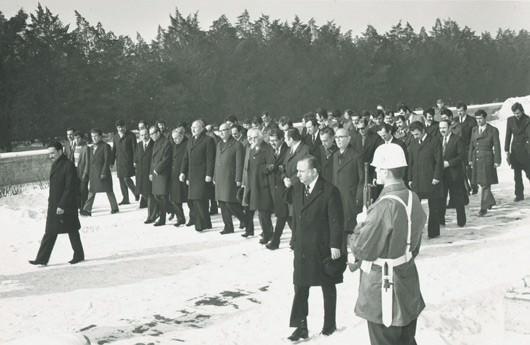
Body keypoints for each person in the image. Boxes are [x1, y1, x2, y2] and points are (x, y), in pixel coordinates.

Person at [350, 143, 427, 345]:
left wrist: (361, 225)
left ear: (385, 170)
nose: (376, 171)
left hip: (384, 289)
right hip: (407, 281)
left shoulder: (385, 206)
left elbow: (362, 248)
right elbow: (415, 244)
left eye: (377, 168)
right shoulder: (413, 197)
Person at [284, 156, 345, 340]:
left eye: (301, 171)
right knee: (300, 286)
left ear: (314, 171)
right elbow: (293, 212)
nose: (298, 175)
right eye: (297, 171)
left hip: (322, 246)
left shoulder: (329, 190)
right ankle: (301, 326)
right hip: (302, 246)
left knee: (328, 285)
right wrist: (294, 239)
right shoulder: (297, 188)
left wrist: (336, 244)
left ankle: (329, 324)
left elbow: (336, 220)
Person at [29, 141, 84, 266]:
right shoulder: (56, 164)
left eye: (53, 153)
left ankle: (79, 255)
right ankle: (42, 259)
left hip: (66, 204)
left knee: (72, 230)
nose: (51, 156)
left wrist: (62, 205)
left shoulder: (68, 165)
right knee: (50, 231)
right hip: (55, 204)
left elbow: (70, 188)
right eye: (49, 154)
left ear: (60, 151)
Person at [408, 121, 443, 238]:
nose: (415, 136)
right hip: (417, 180)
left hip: (431, 180)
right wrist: (410, 179)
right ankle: (416, 232)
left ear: (423, 130)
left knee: (434, 207)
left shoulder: (434, 141)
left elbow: (439, 161)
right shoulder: (413, 143)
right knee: (416, 208)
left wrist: (436, 177)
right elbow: (410, 163)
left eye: (417, 134)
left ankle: (434, 232)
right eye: (413, 134)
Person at [180, 120, 216, 232]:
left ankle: (201, 225)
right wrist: (182, 172)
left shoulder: (208, 140)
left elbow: (210, 159)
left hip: (202, 175)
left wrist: (209, 174)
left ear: (202, 128)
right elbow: (186, 158)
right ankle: (206, 223)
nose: (193, 129)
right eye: (192, 127)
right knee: (196, 200)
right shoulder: (190, 140)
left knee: (200, 199)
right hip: (192, 175)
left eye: (196, 127)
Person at [242, 128, 275, 242]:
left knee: (264, 212)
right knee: (260, 212)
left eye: (255, 138)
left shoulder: (267, 148)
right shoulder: (251, 148)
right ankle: (267, 232)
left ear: (260, 137)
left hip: (263, 185)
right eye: (250, 138)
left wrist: (260, 170)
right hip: (253, 185)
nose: (252, 140)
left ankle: (268, 234)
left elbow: (271, 165)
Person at [214, 122, 246, 234]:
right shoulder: (218, 145)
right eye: (220, 130)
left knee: (230, 203)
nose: (221, 133)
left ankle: (244, 219)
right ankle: (228, 226)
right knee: (222, 203)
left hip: (230, 178)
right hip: (220, 178)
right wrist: (214, 176)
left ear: (229, 131)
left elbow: (239, 163)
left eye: (224, 130)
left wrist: (238, 178)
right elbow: (216, 161)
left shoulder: (237, 145)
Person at [469, 110, 501, 216]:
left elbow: (497, 146)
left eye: (480, 118)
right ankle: (490, 201)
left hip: (487, 159)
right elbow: (471, 146)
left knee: (486, 184)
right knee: (482, 183)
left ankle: (483, 208)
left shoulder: (492, 130)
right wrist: (470, 159)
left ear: (485, 118)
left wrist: (497, 160)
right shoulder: (474, 130)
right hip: (476, 159)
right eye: (477, 119)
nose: (478, 121)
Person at [332, 128, 364, 235]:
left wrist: (358, 198)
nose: (338, 140)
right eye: (336, 137)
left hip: (351, 197)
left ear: (349, 138)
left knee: (352, 229)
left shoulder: (356, 156)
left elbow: (362, 179)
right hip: (337, 196)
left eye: (341, 137)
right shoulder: (335, 155)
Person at [81, 129, 119, 216]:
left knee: (108, 190)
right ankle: (87, 210)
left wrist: (104, 172)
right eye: (92, 136)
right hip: (93, 174)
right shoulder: (90, 148)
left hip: (103, 172)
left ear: (100, 136)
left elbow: (107, 161)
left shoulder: (106, 146)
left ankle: (114, 207)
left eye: (96, 136)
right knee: (92, 191)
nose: (94, 138)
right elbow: (90, 161)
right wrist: (88, 173)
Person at [439, 120, 467, 227]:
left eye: (444, 128)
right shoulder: (438, 139)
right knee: (441, 198)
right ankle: (441, 221)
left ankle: (461, 221)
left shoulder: (457, 139)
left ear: (450, 128)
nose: (442, 130)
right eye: (440, 128)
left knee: (458, 198)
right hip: (442, 175)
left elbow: (462, 156)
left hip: (455, 174)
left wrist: (449, 163)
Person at [265, 128, 290, 250]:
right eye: (270, 141)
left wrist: (279, 168)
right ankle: (296, 239)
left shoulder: (287, 150)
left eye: (275, 140)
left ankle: (275, 241)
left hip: (284, 186)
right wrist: (268, 168)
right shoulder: (269, 150)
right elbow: (264, 165)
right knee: (287, 216)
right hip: (273, 187)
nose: (272, 143)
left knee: (282, 215)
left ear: (282, 139)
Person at [504, 102, 530, 202]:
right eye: (515, 113)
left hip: (526, 151)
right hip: (514, 151)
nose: (517, 115)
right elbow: (508, 135)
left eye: (518, 113)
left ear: (522, 111)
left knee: (529, 173)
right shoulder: (510, 120)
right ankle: (519, 195)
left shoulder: (528, 120)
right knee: (517, 175)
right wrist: (506, 150)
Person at [112, 120, 139, 205]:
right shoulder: (115, 137)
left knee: (126, 179)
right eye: (119, 127)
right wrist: (111, 162)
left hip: (128, 161)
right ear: (117, 128)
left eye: (122, 127)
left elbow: (135, 149)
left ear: (125, 126)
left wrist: (135, 160)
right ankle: (125, 199)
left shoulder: (131, 135)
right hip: (119, 162)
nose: (121, 129)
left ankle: (136, 192)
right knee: (121, 180)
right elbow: (114, 150)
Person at [149, 126, 172, 226]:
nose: (151, 136)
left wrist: (157, 170)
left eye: (152, 134)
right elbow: (152, 159)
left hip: (162, 173)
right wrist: (151, 172)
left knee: (162, 196)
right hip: (155, 173)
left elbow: (166, 158)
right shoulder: (156, 142)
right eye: (150, 134)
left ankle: (162, 219)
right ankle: (172, 210)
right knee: (157, 195)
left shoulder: (166, 142)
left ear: (158, 133)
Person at [135, 128, 157, 224]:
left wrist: (152, 173)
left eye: (146, 134)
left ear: (149, 134)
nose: (144, 136)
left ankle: (151, 216)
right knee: (145, 194)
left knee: (150, 195)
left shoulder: (154, 144)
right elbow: (136, 158)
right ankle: (158, 212)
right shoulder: (139, 145)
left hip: (150, 174)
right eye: (142, 135)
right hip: (141, 175)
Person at [456, 102, 478, 195]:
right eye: (458, 111)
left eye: (461, 111)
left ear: (465, 110)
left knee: (469, 169)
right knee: (461, 169)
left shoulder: (471, 121)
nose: (459, 113)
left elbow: (474, 135)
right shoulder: (455, 120)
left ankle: (474, 186)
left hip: (468, 148)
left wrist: (473, 148)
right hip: (458, 149)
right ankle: (466, 188)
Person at [169, 126, 189, 227]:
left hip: (184, 175)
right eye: (173, 138)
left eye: (176, 138)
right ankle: (180, 218)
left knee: (189, 199)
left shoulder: (187, 144)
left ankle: (193, 218)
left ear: (181, 136)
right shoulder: (173, 145)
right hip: (174, 176)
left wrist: (185, 173)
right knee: (175, 199)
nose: (175, 140)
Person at [72, 131, 89, 211]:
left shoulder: (86, 148)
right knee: (77, 189)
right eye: (75, 138)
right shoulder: (74, 147)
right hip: (75, 172)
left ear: (82, 139)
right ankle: (79, 206)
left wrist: (85, 173)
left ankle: (85, 207)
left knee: (83, 190)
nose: (76, 140)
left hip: (83, 172)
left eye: (78, 138)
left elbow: (87, 162)